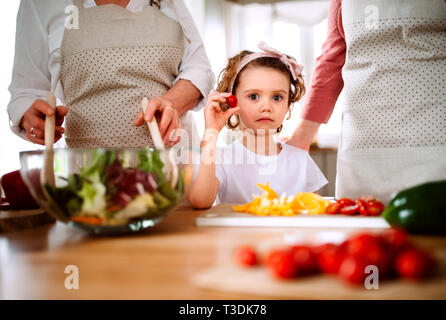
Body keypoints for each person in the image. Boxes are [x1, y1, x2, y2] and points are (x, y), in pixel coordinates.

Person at [287, 0, 446, 203]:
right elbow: (330, 62)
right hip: (363, 144)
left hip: (434, 135)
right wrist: (300, 139)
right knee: (359, 224)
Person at [7, 0, 214, 149]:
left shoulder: (171, 3)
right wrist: (31, 117)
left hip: (174, 167)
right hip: (88, 176)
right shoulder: (40, 4)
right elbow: (26, 91)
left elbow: (199, 70)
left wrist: (172, 102)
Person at [187, 42, 328, 208]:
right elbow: (200, 201)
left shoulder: (301, 160)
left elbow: (315, 213)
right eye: (253, 96)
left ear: (287, 106)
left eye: (277, 98)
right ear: (232, 101)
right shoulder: (222, 158)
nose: (266, 107)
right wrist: (211, 132)